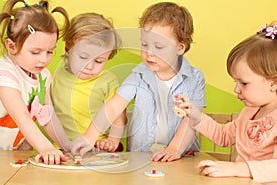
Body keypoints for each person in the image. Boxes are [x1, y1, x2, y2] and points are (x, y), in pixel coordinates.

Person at [71, 2, 206, 162]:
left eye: (158, 46)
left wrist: (174, 149)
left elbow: (192, 118)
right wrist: (89, 136)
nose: (149, 53)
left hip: (182, 157)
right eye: (144, 45)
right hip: (141, 157)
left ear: (180, 48)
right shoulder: (138, 76)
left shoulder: (195, 78)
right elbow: (114, 106)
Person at [175, 23, 277, 185]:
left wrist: (236, 168)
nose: (236, 90)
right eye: (235, 82)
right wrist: (195, 115)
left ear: (273, 83)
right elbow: (223, 136)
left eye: (243, 83)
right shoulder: (247, 112)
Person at [0, 0, 72, 165]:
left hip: (12, 150)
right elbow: (20, 115)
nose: (44, 59)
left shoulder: (43, 75)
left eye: (50, 51)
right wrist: (45, 147)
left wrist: (69, 146)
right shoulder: (4, 75)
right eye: (36, 52)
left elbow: (46, 116)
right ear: (11, 46)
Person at [51, 13, 127, 152]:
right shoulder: (56, 76)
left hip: (98, 145)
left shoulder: (108, 82)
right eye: (83, 57)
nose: (90, 66)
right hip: (63, 146)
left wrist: (113, 140)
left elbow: (119, 116)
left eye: (99, 61)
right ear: (68, 49)